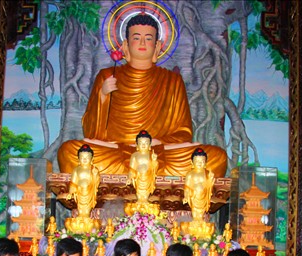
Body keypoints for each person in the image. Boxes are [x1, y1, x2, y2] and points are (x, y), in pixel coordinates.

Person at [58, 14, 227, 177]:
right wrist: (102, 96)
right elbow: (92, 133)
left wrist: (158, 143)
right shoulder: (108, 76)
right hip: (115, 151)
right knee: (69, 151)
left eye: (148, 38)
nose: (142, 43)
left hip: (159, 152)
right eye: (136, 37)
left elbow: (183, 133)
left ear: (157, 46)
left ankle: (141, 171)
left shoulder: (173, 80)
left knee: (215, 157)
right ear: (125, 45)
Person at [66, 144, 100, 219]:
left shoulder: (93, 169)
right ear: (78, 159)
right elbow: (73, 183)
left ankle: (86, 218)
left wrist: (95, 175)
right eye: (82, 157)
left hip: (89, 192)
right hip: (79, 192)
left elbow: (96, 182)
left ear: (92, 159)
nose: (84, 159)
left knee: (87, 210)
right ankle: (81, 217)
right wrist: (70, 193)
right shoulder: (76, 170)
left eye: (87, 157)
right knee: (80, 209)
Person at [183, 148, 215, 222]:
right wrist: (186, 196)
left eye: (202, 161)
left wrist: (210, 180)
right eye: (197, 161)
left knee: (201, 212)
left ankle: (200, 221)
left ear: (205, 163)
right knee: (194, 211)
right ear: (192, 163)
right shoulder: (190, 174)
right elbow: (187, 187)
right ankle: (195, 221)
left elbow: (209, 185)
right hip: (193, 196)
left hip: (203, 196)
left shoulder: (207, 174)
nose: (199, 163)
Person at [127, 130, 159, 204]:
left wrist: (154, 161)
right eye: (141, 143)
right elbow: (132, 169)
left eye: (146, 143)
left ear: (150, 145)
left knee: (146, 194)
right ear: (137, 145)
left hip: (148, 177)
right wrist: (129, 178)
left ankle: (145, 199)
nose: (143, 145)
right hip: (138, 177)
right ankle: (139, 200)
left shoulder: (151, 155)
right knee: (139, 193)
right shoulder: (134, 155)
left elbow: (154, 168)